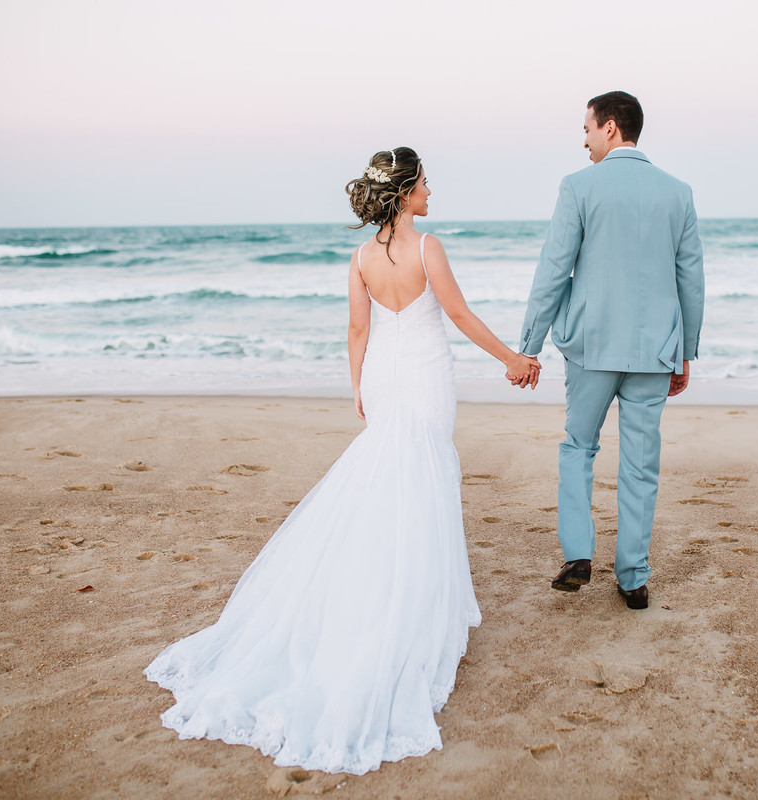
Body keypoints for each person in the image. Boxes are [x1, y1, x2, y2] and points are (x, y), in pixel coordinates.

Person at [145, 147, 540, 774]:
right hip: (424, 376)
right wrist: (513, 360)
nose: (432, 192)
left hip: (385, 376)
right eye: (426, 184)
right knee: (422, 477)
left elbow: (357, 332)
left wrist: (358, 387)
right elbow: (457, 314)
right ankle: (405, 603)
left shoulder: (359, 259)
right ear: (407, 191)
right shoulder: (427, 246)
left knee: (389, 479)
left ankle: (379, 582)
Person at [517, 91, 705, 610]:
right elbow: (690, 277)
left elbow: (554, 268)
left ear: (611, 129)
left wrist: (529, 346)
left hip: (592, 346)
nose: (583, 140)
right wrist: (686, 350)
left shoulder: (578, 187)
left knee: (578, 446)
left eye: (587, 129)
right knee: (641, 464)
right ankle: (633, 578)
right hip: (653, 352)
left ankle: (578, 555)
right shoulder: (678, 192)